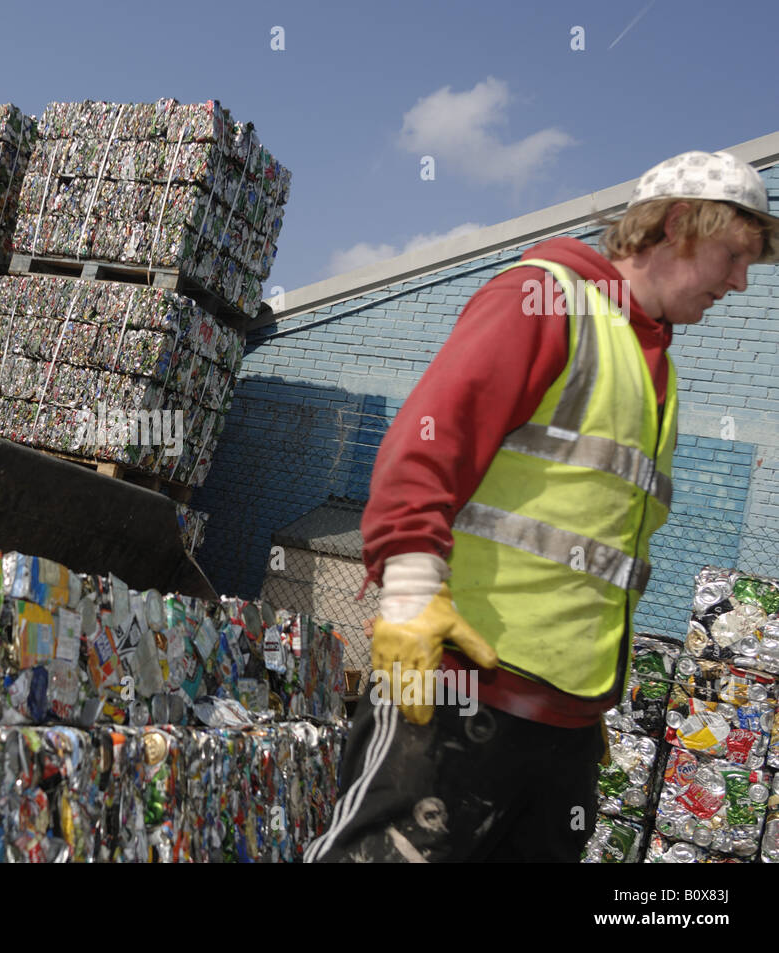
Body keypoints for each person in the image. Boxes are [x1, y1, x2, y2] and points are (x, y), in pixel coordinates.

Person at [307, 150, 779, 863]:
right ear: (679, 224)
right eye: (734, 256)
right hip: (454, 698)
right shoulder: (549, 299)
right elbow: (431, 438)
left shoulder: (657, 371)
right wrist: (407, 595)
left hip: (564, 729)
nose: (741, 282)